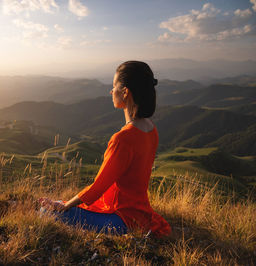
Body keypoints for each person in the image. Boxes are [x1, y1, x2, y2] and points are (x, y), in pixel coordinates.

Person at [39, 61, 171, 238]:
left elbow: (97, 188)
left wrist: (64, 206)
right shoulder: (151, 129)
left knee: (46, 212)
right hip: (142, 215)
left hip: (121, 220)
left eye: (114, 86)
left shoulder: (122, 139)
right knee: (58, 206)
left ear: (125, 92)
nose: (111, 91)